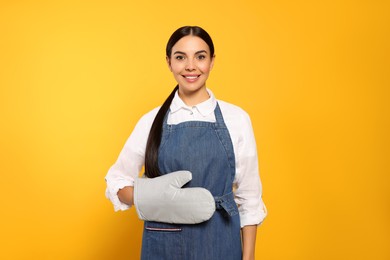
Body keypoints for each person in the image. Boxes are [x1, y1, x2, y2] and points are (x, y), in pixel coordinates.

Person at [105, 25, 267, 260]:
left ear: (212, 61)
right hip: (164, 242)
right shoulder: (151, 121)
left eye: (200, 57)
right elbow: (116, 181)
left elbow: (249, 197)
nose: (191, 66)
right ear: (169, 62)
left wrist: (249, 256)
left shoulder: (237, 119)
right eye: (181, 57)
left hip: (219, 239)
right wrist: (155, 198)